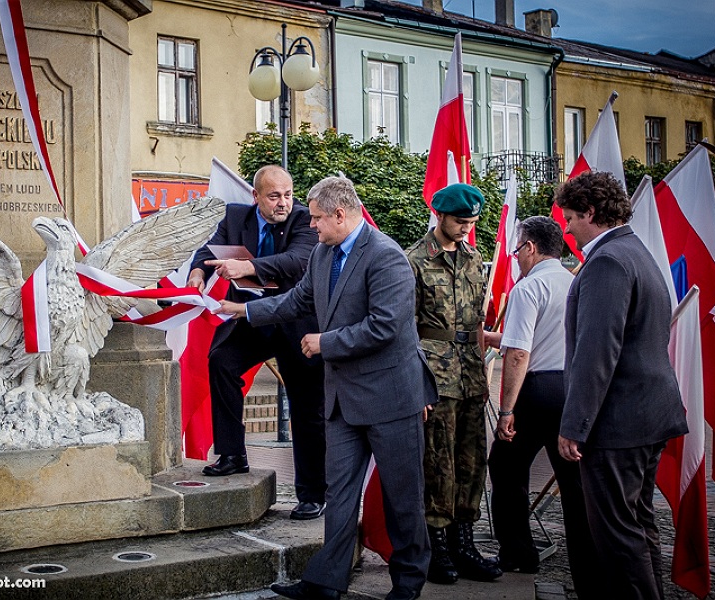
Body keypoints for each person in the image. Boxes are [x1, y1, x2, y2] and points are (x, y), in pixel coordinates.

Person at [217, 174, 438, 600]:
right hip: (343, 400)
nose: (310, 224)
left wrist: (325, 342)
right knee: (339, 494)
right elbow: (298, 300)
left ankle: (408, 583)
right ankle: (325, 582)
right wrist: (244, 312)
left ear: (340, 214)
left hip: (391, 398)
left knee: (402, 496)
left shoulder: (387, 256)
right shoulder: (323, 253)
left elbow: (385, 327)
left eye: (317, 218)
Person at [555, 171, 688, 599]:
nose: (567, 229)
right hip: (646, 415)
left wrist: (574, 426)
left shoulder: (608, 261)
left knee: (616, 535)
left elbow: (597, 352)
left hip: (618, 422)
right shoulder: (635, 250)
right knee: (637, 525)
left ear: (591, 213)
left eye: (570, 218)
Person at [188, 165, 327, 521]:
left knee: (306, 407)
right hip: (251, 320)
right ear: (256, 197)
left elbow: (295, 261)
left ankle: (313, 493)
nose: (283, 203)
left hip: (295, 323)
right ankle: (232, 455)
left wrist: (246, 268)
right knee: (221, 361)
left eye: (288, 195)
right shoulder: (236, 216)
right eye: (274, 196)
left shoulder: (303, 220)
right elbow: (208, 250)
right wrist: (198, 271)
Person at [483, 216, 603, 597]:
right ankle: (588, 568)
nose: (516, 257)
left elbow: (520, 352)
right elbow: (541, 336)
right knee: (574, 483)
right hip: (572, 386)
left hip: (537, 390)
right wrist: (491, 337)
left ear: (531, 248)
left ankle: (518, 552)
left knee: (505, 466)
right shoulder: (575, 281)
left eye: (517, 249)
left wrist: (506, 411)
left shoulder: (528, 287)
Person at [405, 183, 501, 584]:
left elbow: (477, 323)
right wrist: (417, 387)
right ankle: (437, 547)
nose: (466, 228)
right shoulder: (414, 260)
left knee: (472, 461)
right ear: (440, 215)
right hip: (435, 375)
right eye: (460, 221)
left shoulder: (475, 259)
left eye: (472, 222)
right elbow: (405, 330)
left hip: (470, 374)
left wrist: (481, 369)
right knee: (437, 462)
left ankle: (465, 543)